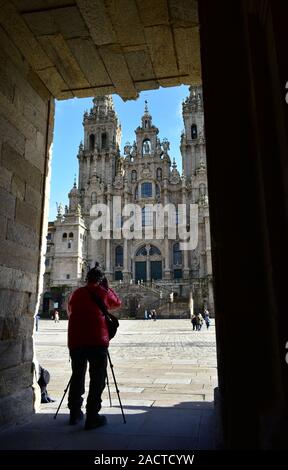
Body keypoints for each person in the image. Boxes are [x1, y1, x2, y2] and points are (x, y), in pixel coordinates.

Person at [67, 263, 121, 430]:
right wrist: (107, 287)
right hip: (97, 340)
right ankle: (92, 416)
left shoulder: (76, 293)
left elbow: (70, 309)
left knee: (77, 376)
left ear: (86, 278)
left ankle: (75, 413)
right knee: (97, 378)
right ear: (101, 279)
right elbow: (117, 303)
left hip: (76, 340)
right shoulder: (103, 292)